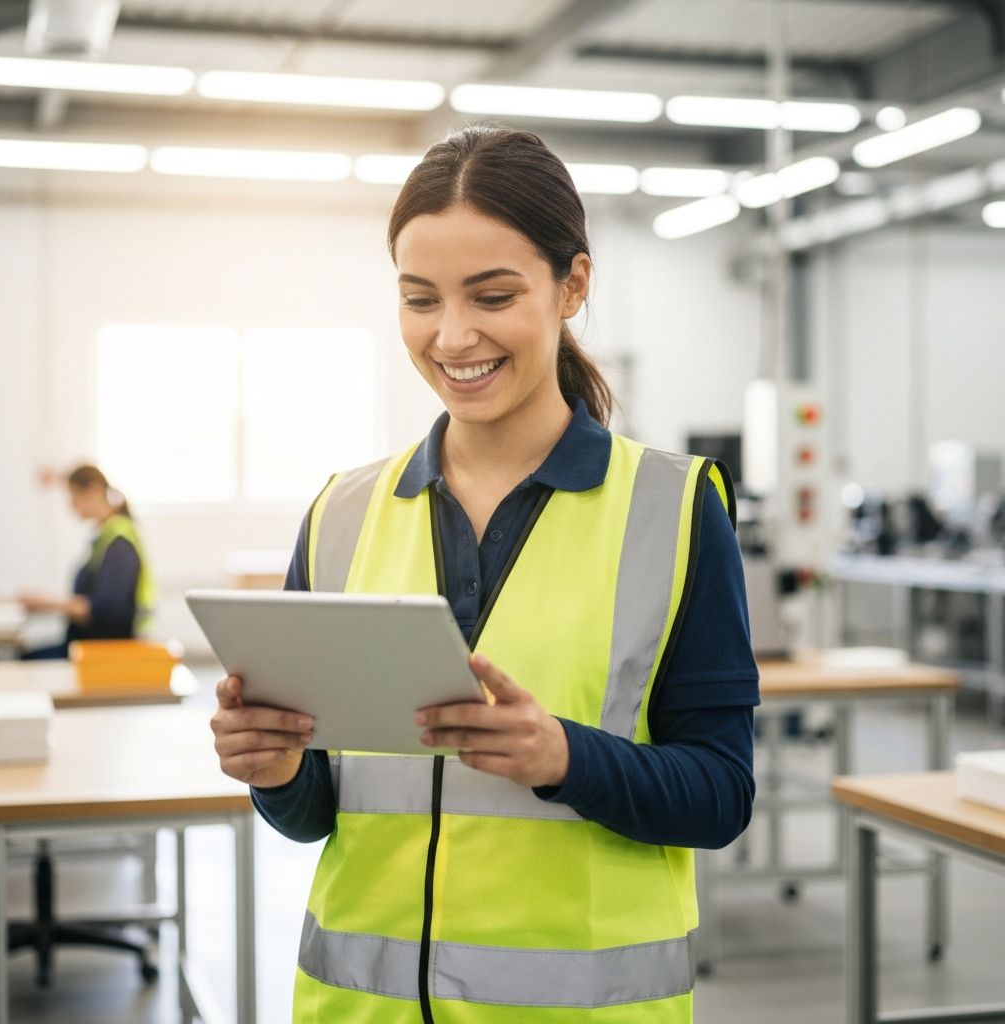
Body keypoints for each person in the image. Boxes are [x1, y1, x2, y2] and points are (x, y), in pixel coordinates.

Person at [210, 126, 759, 1023]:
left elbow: (721, 794)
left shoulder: (671, 508)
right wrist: (274, 772)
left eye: (492, 295)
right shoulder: (343, 513)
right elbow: (318, 812)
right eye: (419, 299)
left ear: (572, 285)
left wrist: (565, 757)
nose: (452, 335)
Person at [19, 464, 155, 659]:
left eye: (73, 497)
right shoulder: (105, 538)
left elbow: (102, 611)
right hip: (86, 646)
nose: (71, 505)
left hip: (103, 653)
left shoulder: (120, 543)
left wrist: (44, 602)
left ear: (94, 490)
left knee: (22, 659)